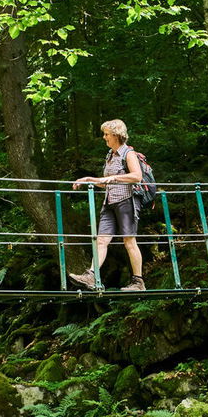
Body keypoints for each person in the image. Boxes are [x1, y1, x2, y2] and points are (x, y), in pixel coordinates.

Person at [68, 119, 146, 292]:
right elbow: (106, 182)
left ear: (116, 135)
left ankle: (138, 282)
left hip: (126, 201)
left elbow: (137, 176)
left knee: (129, 241)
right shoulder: (110, 155)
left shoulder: (128, 154)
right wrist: (89, 179)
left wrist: (115, 178)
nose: (104, 137)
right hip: (109, 202)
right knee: (101, 240)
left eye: (106, 134)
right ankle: (91, 276)